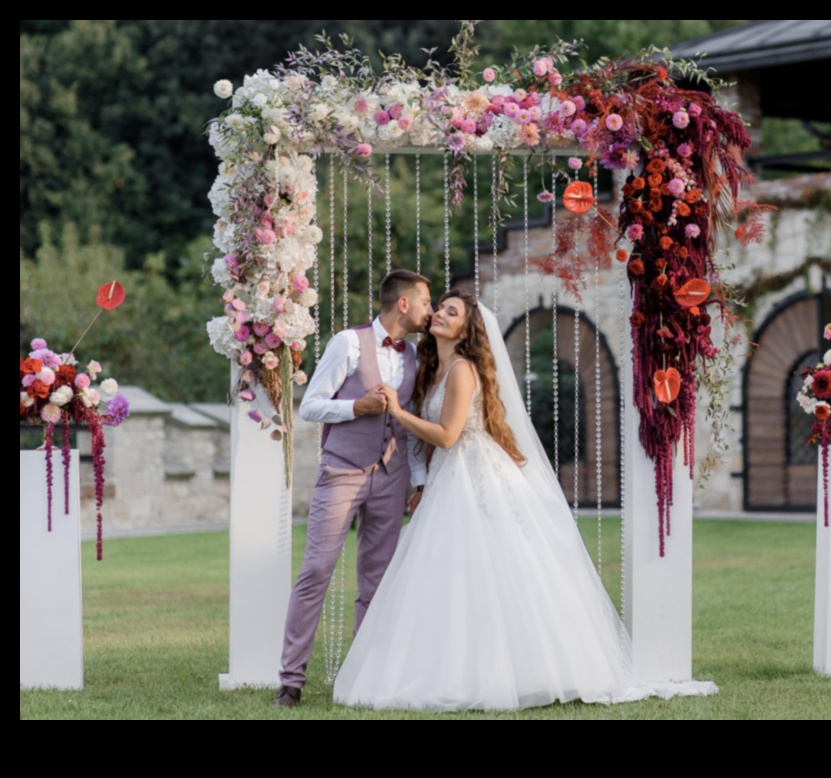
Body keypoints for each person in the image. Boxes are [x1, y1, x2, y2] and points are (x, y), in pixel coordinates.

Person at [332, 290, 718, 711]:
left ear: (466, 329)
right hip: (448, 478)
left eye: (451, 311)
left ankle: (520, 670)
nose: (440, 313)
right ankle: (459, 666)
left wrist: (397, 411)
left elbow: (447, 435)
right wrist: (421, 484)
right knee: (452, 574)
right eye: (440, 307)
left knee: (495, 568)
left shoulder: (461, 369)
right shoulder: (434, 367)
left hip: (475, 474)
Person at [274, 270, 434, 708]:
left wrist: (417, 483)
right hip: (342, 469)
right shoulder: (347, 342)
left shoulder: (418, 356)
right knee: (316, 572)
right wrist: (356, 407)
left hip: (393, 474)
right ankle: (291, 681)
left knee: (377, 581)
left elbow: (412, 430)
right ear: (403, 303)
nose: (430, 310)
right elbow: (309, 405)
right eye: (425, 302)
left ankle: (364, 678)